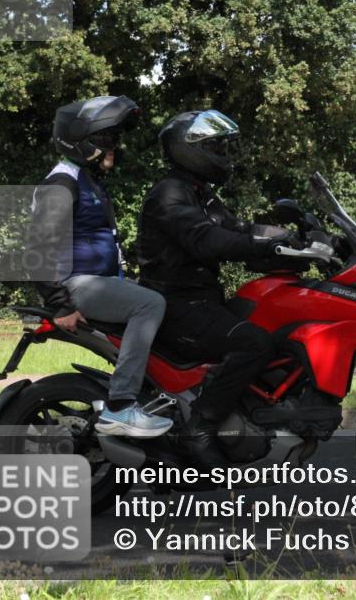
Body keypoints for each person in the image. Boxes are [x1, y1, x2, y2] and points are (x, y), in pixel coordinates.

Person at [136, 109, 302, 467]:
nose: (223, 155)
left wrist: (296, 240)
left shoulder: (198, 192)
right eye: (216, 147)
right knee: (254, 342)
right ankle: (200, 426)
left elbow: (238, 228)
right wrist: (266, 246)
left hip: (200, 300)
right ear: (189, 149)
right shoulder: (169, 195)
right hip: (177, 305)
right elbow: (208, 240)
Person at [31, 95, 172, 438]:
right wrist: (59, 304)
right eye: (106, 139)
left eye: (115, 138)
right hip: (75, 285)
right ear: (78, 140)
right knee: (149, 303)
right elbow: (38, 247)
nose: (114, 146)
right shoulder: (62, 182)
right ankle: (122, 406)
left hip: (94, 281)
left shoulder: (85, 179)